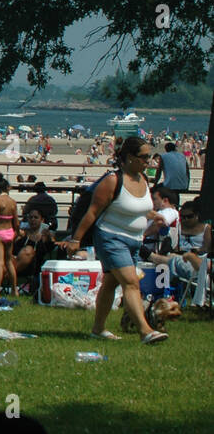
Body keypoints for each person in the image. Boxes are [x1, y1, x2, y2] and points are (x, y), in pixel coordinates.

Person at [58, 136, 168, 344]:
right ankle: (145, 330)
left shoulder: (143, 179)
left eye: (150, 157)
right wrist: (75, 239)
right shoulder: (112, 181)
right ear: (129, 157)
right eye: (144, 157)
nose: (149, 161)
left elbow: (140, 208)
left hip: (135, 240)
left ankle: (98, 329)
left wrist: (154, 216)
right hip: (111, 238)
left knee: (110, 284)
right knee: (131, 282)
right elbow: (91, 213)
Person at [0, 173, 19, 297]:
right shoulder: (13, 202)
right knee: (9, 261)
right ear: (7, 188)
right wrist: (16, 232)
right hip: (10, 232)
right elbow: (16, 221)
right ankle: (14, 289)